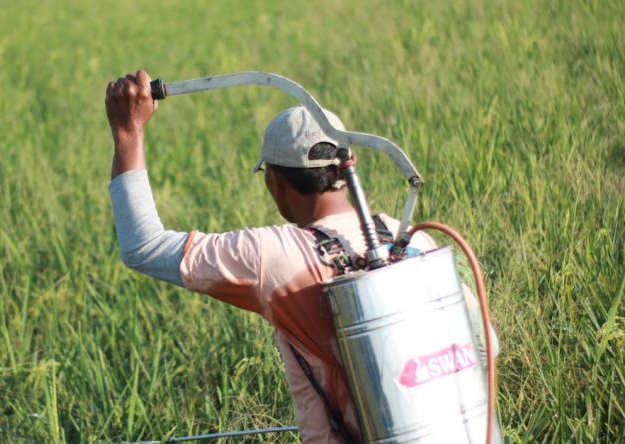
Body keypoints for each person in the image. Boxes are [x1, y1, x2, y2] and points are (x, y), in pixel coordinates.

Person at [105, 70, 494, 443]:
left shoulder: (272, 255)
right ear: (345, 170)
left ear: (275, 181)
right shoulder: (411, 239)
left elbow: (143, 247)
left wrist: (128, 133)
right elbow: (486, 347)